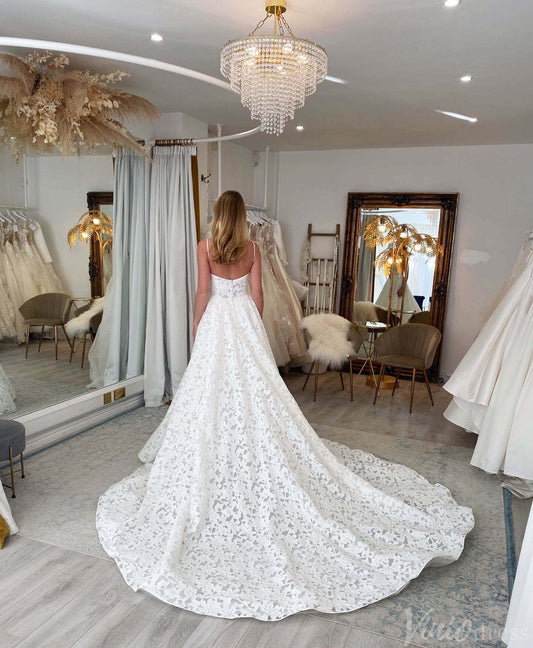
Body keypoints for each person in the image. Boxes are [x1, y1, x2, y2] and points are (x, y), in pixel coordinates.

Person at [96, 190, 474, 621]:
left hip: (217, 318)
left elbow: (202, 291)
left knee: (209, 389)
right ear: (242, 218)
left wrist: (199, 326)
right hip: (242, 318)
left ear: (218, 216)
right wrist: (252, 329)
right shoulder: (252, 249)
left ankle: (217, 445)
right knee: (255, 390)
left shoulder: (205, 247)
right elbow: (258, 298)